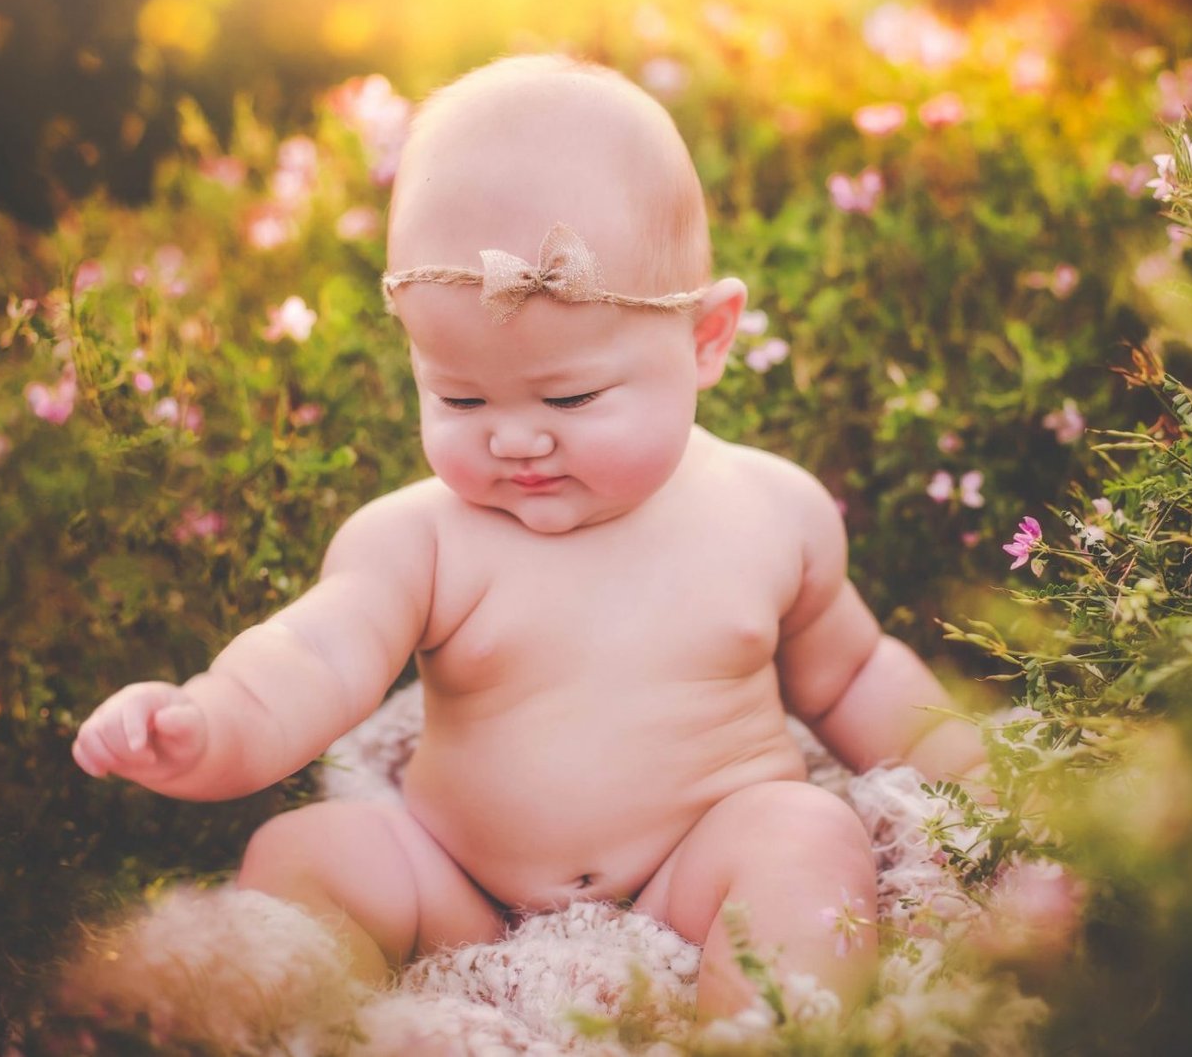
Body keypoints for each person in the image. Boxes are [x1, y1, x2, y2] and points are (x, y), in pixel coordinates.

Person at [72, 54, 987, 1022]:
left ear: (707, 338)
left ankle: (762, 1037)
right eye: (458, 395)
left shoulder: (768, 510)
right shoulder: (420, 539)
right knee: (309, 854)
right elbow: (313, 655)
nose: (514, 437)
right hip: (460, 898)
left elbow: (846, 676)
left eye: (571, 395)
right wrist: (210, 723)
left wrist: (983, 787)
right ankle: (279, 1028)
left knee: (804, 834)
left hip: (693, 881)